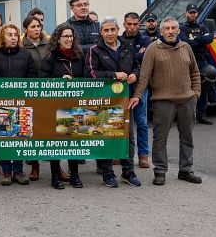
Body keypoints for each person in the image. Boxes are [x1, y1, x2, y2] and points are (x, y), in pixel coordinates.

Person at [129, 17, 203, 186]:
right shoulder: (153, 49)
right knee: (160, 138)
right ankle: (160, 171)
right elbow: (144, 76)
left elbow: (195, 73)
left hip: (187, 100)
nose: (170, 31)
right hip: (163, 102)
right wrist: (137, 96)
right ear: (161, 31)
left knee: (187, 137)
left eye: (173, 28)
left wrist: (196, 94)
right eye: (167, 28)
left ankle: (186, 170)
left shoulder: (186, 47)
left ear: (178, 31)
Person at [85, 16, 142, 188]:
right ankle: (107, 172)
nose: (109, 33)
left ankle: (128, 171)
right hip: (104, 99)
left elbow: (137, 66)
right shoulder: (95, 50)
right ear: (101, 32)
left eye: (112, 29)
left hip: (125, 99)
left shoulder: (127, 46)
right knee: (106, 135)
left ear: (118, 30)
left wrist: (135, 74)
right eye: (106, 30)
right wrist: (114, 75)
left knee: (128, 137)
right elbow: (91, 74)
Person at [37, 23, 85, 189]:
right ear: (57, 39)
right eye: (65, 36)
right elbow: (42, 82)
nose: (69, 39)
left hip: (74, 104)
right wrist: (58, 81)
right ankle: (55, 176)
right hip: (54, 105)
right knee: (55, 143)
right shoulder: (50, 58)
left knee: (73, 141)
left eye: (71, 36)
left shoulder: (79, 56)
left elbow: (87, 78)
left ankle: (75, 175)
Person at [0, 24, 36, 186]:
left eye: (15, 35)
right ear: (2, 37)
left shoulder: (26, 55)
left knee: (19, 136)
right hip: (1, 103)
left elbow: (31, 77)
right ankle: (6, 171)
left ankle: (18, 170)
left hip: (22, 102)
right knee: (3, 136)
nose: (13, 38)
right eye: (9, 35)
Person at [21, 15, 51, 181]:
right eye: (32, 27)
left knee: (50, 129)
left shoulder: (48, 44)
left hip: (47, 92)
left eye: (38, 26)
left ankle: (56, 167)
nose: (36, 29)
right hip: (29, 92)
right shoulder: (21, 46)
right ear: (25, 29)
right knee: (30, 129)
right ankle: (34, 166)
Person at [122, 12, 153, 169]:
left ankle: (143, 156)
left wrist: (132, 56)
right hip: (122, 88)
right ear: (124, 24)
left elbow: (145, 61)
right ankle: (120, 153)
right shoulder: (119, 40)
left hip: (140, 86)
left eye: (135, 24)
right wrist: (137, 54)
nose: (132, 27)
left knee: (141, 121)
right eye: (129, 24)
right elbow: (130, 59)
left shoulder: (146, 40)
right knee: (120, 122)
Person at [180, 4, 215, 125]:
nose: (192, 15)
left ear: (197, 14)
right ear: (186, 14)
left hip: (202, 61)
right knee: (188, 89)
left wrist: (196, 39)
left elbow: (210, 38)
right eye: (190, 12)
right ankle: (189, 115)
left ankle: (202, 115)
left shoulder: (202, 26)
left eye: (194, 12)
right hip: (189, 62)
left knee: (203, 88)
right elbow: (187, 43)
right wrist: (201, 39)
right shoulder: (183, 28)